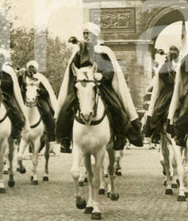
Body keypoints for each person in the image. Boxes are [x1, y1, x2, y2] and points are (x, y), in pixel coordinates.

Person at [55, 22, 144, 153]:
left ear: (95, 35)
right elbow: (73, 69)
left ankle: (119, 136)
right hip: (83, 85)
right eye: (84, 33)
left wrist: (101, 76)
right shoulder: (79, 51)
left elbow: (110, 71)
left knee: (116, 106)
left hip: (101, 86)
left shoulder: (104, 51)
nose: (85, 36)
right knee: (66, 106)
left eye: (88, 33)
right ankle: (66, 138)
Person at [142, 45, 180, 139]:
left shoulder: (182, 64)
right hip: (169, 91)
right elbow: (163, 78)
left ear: (179, 52)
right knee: (159, 109)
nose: (173, 51)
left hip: (181, 89)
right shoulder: (165, 66)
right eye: (171, 49)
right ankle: (156, 131)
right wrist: (172, 75)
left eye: (175, 50)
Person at [19, 60, 58, 142]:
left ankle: (51, 135)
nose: (31, 69)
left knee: (47, 112)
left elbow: (47, 92)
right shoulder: (24, 78)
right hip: (26, 99)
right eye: (30, 67)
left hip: (39, 99)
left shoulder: (41, 78)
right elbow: (20, 89)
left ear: (36, 68)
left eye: (33, 67)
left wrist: (38, 90)